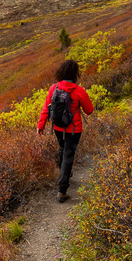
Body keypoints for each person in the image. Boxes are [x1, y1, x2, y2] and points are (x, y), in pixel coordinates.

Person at [37, 59, 94, 202]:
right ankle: (62, 190)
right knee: (68, 154)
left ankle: (65, 174)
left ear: (61, 72)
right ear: (75, 73)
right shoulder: (79, 91)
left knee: (62, 148)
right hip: (74, 129)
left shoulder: (53, 88)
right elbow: (89, 110)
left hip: (57, 127)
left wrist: (41, 125)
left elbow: (46, 108)